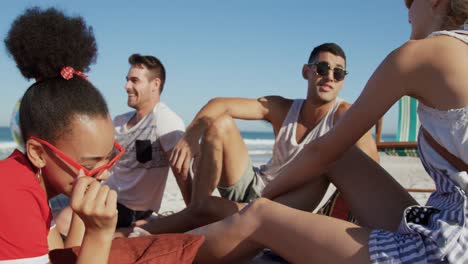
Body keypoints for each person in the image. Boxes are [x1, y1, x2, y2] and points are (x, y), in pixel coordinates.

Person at [188, 0, 468, 263]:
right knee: (340, 156)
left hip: (450, 245)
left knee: (260, 215)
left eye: (410, 1)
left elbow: (322, 151)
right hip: (443, 216)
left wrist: (261, 200)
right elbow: (335, 155)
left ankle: (147, 253)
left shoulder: (418, 54)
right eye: (322, 69)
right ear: (307, 72)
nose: (406, 10)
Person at [121, 43, 378, 237]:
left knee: (176, 219)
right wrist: (190, 137)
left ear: (343, 81)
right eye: (322, 68)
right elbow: (219, 104)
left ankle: (188, 215)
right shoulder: (282, 108)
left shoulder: (344, 116)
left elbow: (371, 167)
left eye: (339, 72)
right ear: (307, 72)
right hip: (253, 184)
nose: (330, 76)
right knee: (220, 121)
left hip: (282, 207)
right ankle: (195, 210)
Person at [1, 7, 118, 263]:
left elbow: (62, 255)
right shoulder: (12, 194)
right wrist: (100, 234)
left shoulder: (31, 179)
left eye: (109, 157)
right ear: (38, 153)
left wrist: (83, 212)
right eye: (89, 163)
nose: (105, 172)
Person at [104, 54, 191, 228]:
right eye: (127, 80)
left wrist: (193, 215)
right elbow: (105, 163)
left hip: (129, 210)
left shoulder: (164, 120)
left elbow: (183, 173)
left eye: (135, 80)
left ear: (155, 84)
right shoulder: (119, 121)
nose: (127, 86)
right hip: (106, 195)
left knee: (66, 222)